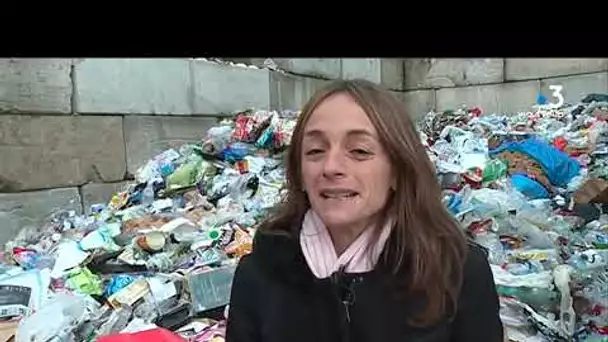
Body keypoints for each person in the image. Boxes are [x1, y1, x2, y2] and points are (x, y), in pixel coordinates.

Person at [225, 79, 504, 342]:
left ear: (398, 170)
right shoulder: (260, 274)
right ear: (299, 173)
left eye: (359, 151)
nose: (331, 166)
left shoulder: (457, 272)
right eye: (315, 151)